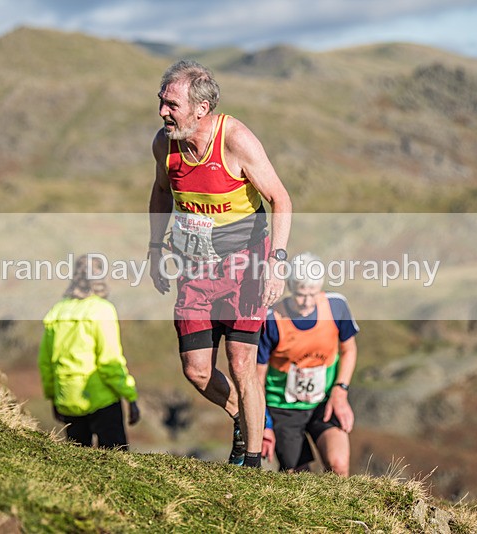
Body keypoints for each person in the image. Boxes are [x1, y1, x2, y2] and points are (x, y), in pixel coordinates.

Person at [147, 60, 292, 468]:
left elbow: (281, 199)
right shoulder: (165, 143)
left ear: (201, 108)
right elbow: (161, 190)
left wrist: (276, 264)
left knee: (242, 363)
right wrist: (156, 247)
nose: (162, 112)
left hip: (247, 266)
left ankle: (251, 463)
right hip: (195, 269)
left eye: (171, 104)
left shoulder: (236, 139)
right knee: (195, 370)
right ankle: (244, 419)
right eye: (161, 102)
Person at [257, 252, 359, 475]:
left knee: (338, 465)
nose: (307, 302)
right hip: (282, 408)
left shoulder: (336, 307)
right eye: (301, 295)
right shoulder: (272, 319)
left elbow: (349, 349)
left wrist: (340, 392)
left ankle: (340, 510)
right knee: (298, 476)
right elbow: (257, 379)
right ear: (290, 287)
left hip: (323, 402)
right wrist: (264, 425)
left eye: (313, 294)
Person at [38, 254, 140, 449]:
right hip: (101, 398)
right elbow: (109, 362)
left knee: (78, 462)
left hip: (67, 397)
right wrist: (130, 396)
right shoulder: (102, 310)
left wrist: (53, 396)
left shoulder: (57, 311)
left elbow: (45, 362)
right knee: (116, 462)